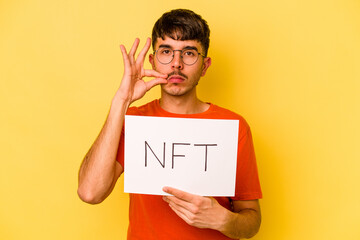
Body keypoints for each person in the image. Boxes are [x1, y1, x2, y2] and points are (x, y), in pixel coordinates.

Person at [78, 9, 262, 240]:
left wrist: (223, 219)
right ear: (153, 61)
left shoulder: (233, 126)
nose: (176, 64)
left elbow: (252, 221)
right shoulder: (133, 121)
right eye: (166, 52)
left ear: (205, 66)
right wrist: (121, 101)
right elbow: (90, 192)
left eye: (189, 53)